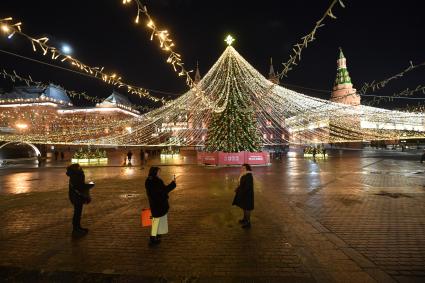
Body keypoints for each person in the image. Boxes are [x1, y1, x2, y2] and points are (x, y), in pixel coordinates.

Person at [145, 166, 176, 246]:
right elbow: (164, 190)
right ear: (155, 172)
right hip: (159, 204)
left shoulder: (148, 180)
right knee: (156, 222)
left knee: (156, 221)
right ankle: (152, 239)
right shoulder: (157, 181)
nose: (159, 174)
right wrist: (173, 184)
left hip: (154, 204)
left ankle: (157, 236)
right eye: (158, 172)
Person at [66, 164, 94, 236]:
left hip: (76, 196)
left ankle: (78, 227)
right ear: (76, 169)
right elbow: (79, 187)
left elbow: (79, 185)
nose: (81, 168)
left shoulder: (75, 174)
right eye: (79, 167)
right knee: (77, 214)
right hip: (77, 197)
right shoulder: (76, 175)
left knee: (78, 213)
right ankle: (75, 230)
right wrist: (90, 185)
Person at [232, 164, 254, 229]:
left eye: (243, 168)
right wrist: (238, 188)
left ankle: (248, 223)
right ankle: (244, 219)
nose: (242, 168)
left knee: (247, 208)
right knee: (244, 207)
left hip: (247, 195)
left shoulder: (248, 175)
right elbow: (242, 184)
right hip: (244, 193)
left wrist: (241, 192)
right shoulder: (243, 174)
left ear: (247, 169)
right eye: (241, 167)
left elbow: (247, 186)